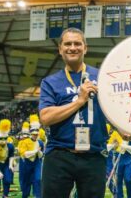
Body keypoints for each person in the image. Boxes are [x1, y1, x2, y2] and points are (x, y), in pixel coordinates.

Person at [39, 27, 109, 198]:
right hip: (59, 155)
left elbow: (115, 110)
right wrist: (80, 101)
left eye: (77, 43)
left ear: (85, 48)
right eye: (67, 44)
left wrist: (124, 129)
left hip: (94, 155)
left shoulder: (103, 77)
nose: (72, 47)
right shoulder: (50, 82)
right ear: (60, 49)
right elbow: (46, 117)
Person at [0, 119, 15, 198]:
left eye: (5, 138)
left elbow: (11, 156)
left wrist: (11, 165)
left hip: (6, 164)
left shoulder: (11, 146)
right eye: (1, 139)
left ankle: (5, 195)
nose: (3, 141)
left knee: (7, 180)